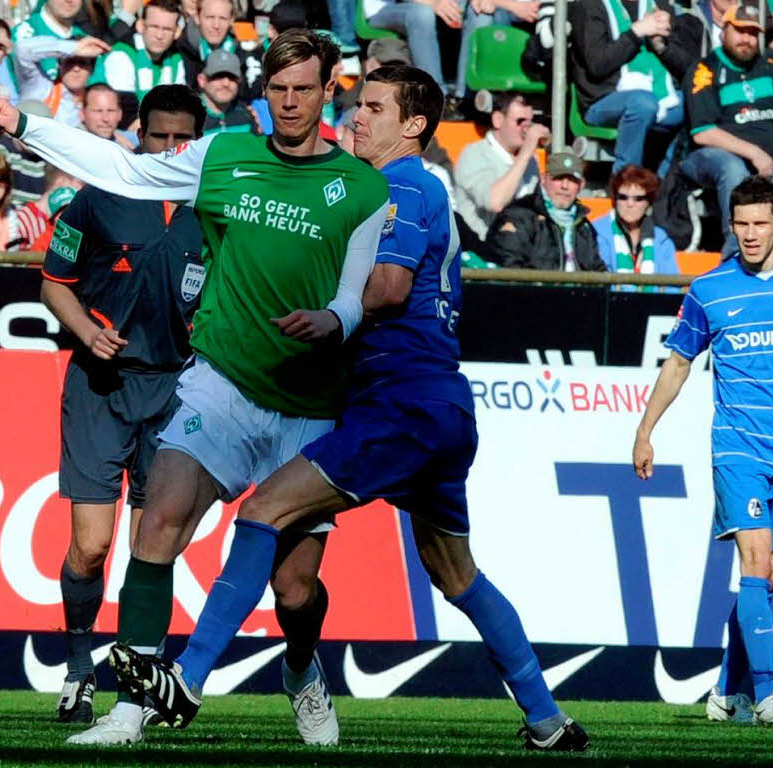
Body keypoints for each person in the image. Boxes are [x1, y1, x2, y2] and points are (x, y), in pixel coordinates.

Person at [106, 64, 591, 754]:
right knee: (457, 574)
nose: (356, 118)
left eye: (372, 107)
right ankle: (547, 720)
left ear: (415, 126)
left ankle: (185, 677)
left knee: (261, 511)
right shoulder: (423, 191)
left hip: (397, 403)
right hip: (440, 406)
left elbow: (390, 288)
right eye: (357, 105)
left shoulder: (399, 185)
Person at [0, 28, 389, 747]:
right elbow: (124, 171)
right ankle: (131, 705)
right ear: (265, 93)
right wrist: (33, 127)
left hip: (306, 400)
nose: (289, 103)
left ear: (329, 91)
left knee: (294, 590)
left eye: (303, 90)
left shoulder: (362, 187)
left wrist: (331, 317)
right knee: (158, 521)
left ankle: (299, 665)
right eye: (278, 90)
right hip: (217, 385)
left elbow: (358, 294)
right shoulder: (224, 155)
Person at [633, 175, 773, 727]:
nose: (750, 234)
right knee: (752, 564)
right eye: (741, 224)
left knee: (768, 579)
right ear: (730, 226)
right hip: (737, 447)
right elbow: (678, 362)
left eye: (760, 224)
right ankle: (767, 690)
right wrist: (645, 430)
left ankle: (725, 693)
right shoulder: (709, 290)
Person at [38, 84, 206, 724]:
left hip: (175, 389)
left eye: (180, 139)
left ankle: (137, 687)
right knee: (90, 546)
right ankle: (79, 670)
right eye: (157, 136)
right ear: (138, 135)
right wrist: (87, 332)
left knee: (152, 547)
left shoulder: (213, 208)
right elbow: (55, 285)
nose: (168, 149)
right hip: (99, 388)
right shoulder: (96, 199)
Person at [680, 4, 773, 258]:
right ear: (724, 31)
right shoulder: (705, 70)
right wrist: (755, 153)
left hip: (766, 160)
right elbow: (703, 133)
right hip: (707, 157)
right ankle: (735, 250)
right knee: (733, 168)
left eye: (753, 33)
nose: (747, 39)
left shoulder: (768, 67)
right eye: (740, 31)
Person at [570, 0, 700, 175]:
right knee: (643, 103)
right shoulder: (590, 6)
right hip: (603, 100)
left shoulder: (659, 6)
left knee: (697, 103)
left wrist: (661, 46)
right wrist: (636, 32)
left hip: (660, 96)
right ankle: (626, 180)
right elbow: (598, 65)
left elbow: (688, 69)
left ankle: (663, 186)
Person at [484, 150, 607, 271]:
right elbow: (510, 268)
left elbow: (598, 270)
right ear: (543, 179)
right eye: (558, 178)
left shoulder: (584, 226)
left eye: (572, 180)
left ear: (581, 185)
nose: (565, 186)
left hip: (581, 291)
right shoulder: (519, 216)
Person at [454, 91, 550, 245]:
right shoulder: (474, 154)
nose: (527, 128)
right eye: (520, 121)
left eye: (530, 122)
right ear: (498, 120)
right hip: (482, 249)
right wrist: (526, 153)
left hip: (522, 248)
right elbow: (495, 202)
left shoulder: (530, 161)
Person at [92, 0, 188, 127]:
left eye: (167, 29)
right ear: (140, 26)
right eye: (154, 27)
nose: (159, 35)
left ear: (177, 33)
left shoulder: (176, 59)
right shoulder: (122, 53)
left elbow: (179, 106)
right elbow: (127, 113)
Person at [593, 164, 679, 280]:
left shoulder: (661, 239)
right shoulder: (596, 232)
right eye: (623, 197)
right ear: (615, 200)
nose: (630, 204)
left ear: (648, 202)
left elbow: (672, 285)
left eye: (638, 199)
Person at [14, 32, 111, 129]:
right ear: (59, 65)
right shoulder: (39, 87)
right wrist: (74, 48)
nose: (76, 69)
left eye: (83, 63)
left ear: (92, 69)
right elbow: (22, 49)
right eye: (70, 61)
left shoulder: (95, 101)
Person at [15, 165, 83, 248]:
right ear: (61, 180)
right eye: (81, 183)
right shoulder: (23, 219)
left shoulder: (64, 221)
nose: (82, 189)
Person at [198, 49, 257, 135]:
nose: (226, 83)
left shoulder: (246, 115)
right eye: (218, 76)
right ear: (202, 80)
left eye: (232, 77)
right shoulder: (189, 118)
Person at [80, 82, 136, 148]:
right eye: (98, 111)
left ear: (120, 114)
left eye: (111, 111)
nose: (105, 119)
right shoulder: (69, 144)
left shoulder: (135, 143)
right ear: (82, 114)